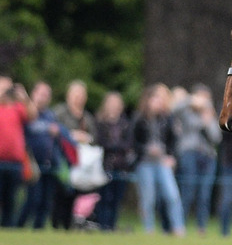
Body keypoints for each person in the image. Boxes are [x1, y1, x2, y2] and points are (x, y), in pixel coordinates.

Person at [17, 81, 72, 230]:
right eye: (41, 94)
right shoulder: (27, 112)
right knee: (33, 199)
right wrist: (48, 128)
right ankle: (18, 227)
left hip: (49, 163)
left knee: (46, 201)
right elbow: (29, 128)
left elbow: (61, 133)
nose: (44, 97)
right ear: (34, 94)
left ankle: (38, 229)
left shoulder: (50, 115)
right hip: (32, 163)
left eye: (47, 95)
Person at [133, 83, 185, 236]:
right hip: (144, 163)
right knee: (148, 199)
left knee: (172, 196)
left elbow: (174, 140)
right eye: (156, 98)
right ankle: (148, 229)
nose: (159, 101)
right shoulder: (139, 118)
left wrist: (171, 156)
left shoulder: (168, 118)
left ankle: (178, 228)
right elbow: (133, 142)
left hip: (162, 162)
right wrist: (145, 149)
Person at [173, 83, 222, 234]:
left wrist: (207, 122)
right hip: (190, 153)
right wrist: (190, 100)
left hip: (208, 156)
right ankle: (180, 224)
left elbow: (217, 138)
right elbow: (174, 109)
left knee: (204, 193)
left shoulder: (210, 115)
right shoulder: (186, 112)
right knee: (188, 189)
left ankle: (201, 226)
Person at [51, 79, 96, 230]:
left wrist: (87, 138)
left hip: (81, 161)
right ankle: (56, 224)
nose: (78, 97)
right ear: (68, 95)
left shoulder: (87, 117)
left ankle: (69, 224)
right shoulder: (59, 112)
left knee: (76, 194)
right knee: (61, 191)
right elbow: (54, 131)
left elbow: (94, 137)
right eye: (75, 94)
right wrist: (71, 135)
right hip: (63, 158)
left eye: (81, 94)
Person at [93, 91, 135, 232]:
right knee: (105, 197)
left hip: (121, 166)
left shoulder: (125, 124)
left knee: (117, 198)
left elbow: (128, 143)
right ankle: (102, 225)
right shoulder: (100, 123)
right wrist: (116, 147)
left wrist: (114, 146)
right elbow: (100, 142)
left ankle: (111, 225)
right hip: (105, 165)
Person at [0, 76, 37, 228]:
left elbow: (32, 115)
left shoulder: (18, 108)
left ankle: (8, 227)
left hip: (15, 162)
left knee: (11, 199)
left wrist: (24, 97)